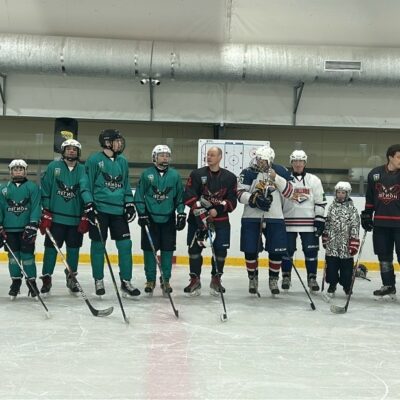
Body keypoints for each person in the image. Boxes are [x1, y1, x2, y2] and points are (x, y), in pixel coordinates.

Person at [80, 129, 140, 297]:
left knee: (125, 245)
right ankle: (98, 279)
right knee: (98, 245)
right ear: (107, 142)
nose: (120, 143)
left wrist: (129, 202)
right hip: (100, 210)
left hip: (118, 211)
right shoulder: (94, 160)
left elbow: (125, 184)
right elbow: (86, 183)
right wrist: (89, 204)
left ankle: (126, 281)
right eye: (116, 140)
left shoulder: (123, 161)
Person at [237, 145, 293, 296]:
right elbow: (239, 193)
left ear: (270, 160)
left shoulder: (281, 170)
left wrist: (276, 178)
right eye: (258, 159)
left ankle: (273, 279)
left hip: (275, 217)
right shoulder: (248, 172)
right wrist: (253, 199)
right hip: (251, 217)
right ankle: (252, 278)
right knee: (250, 249)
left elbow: (290, 192)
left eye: (262, 160)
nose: (259, 162)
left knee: (276, 250)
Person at [183, 146, 237, 296]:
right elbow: (188, 195)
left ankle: (216, 279)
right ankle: (195, 279)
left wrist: (218, 209)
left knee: (220, 251)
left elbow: (232, 200)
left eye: (212, 155)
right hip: (197, 221)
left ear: (220, 157)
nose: (209, 157)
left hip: (220, 221)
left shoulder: (230, 177)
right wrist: (202, 210)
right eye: (208, 155)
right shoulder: (196, 174)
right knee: (194, 250)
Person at [133, 145, 186, 295]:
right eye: (161, 155)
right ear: (154, 157)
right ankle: (150, 280)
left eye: (167, 155)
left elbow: (179, 198)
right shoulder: (146, 174)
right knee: (149, 250)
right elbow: (139, 195)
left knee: (168, 250)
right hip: (150, 218)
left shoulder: (175, 175)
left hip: (168, 219)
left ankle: (165, 279)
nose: (165, 157)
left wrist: (181, 214)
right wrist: (142, 214)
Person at [39, 139, 89, 295]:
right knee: (50, 250)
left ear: (78, 152)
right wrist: (46, 210)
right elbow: (45, 188)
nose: (71, 151)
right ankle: (47, 277)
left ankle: (71, 277)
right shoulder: (53, 167)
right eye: (68, 149)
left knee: (73, 250)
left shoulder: (83, 170)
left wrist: (85, 214)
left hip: (75, 219)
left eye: (74, 149)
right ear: (63, 151)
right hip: (55, 218)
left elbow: (86, 191)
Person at [281, 150, 327, 292]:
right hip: (288, 223)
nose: (298, 164)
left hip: (309, 224)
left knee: (311, 251)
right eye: (295, 161)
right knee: (287, 251)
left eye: (301, 161)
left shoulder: (314, 180)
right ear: (291, 163)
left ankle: (312, 278)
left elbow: (320, 201)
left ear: (305, 162)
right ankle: (286, 276)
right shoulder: (284, 179)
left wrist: (319, 219)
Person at [361, 143, 400, 298]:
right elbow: (370, 197)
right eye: (399, 157)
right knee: (384, 257)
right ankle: (388, 285)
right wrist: (367, 214)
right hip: (381, 223)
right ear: (390, 157)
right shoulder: (375, 174)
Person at [0, 160, 41, 299]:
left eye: (21, 169)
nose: (18, 171)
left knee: (28, 257)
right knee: (13, 258)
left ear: (25, 171)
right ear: (11, 172)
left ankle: (32, 283)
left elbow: (36, 206)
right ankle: (16, 282)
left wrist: (33, 223)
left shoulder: (32, 187)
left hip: (26, 229)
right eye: (15, 169)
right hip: (9, 230)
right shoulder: (3, 188)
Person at [322, 181, 360, 296]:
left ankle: (347, 286)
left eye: (343, 192)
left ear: (347, 194)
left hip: (346, 244)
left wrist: (354, 242)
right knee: (331, 266)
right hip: (332, 243)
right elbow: (328, 223)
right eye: (338, 192)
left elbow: (355, 226)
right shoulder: (332, 207)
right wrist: (325, 236)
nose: (340, 195)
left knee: (346, 268)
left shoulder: (352, 209)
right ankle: (332, 285)